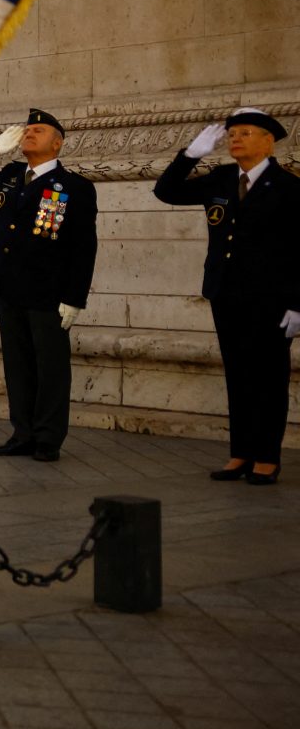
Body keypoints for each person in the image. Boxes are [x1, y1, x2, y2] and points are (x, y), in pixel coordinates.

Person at [152, 109, 297, 485]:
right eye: (231, 133)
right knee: (238, 375)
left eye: (245, 133)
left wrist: (299, 303)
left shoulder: (288, 187)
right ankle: (241, 453)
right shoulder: (219, 178)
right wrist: (190, 155)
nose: (235, 139)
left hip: (271, 299)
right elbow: (165, 192)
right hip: (226, 293)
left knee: (268, 376)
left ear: (268, 141)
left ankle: (266, 457)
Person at [0, 109, 99, 461]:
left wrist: (75, 297)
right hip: (8, 287)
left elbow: (84, 247)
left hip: (49, 292)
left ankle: (48, 438)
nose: (29, 134)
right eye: (27, 130)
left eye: (39, 130)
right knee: (17, 366)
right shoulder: (10, 176)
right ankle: (23, 433)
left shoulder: (75, 187)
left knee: (50, 367)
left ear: (57, 143)